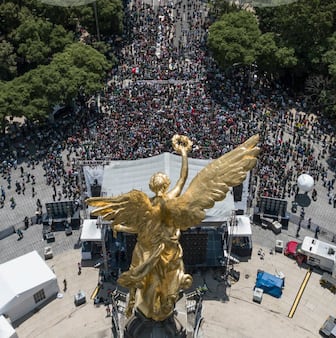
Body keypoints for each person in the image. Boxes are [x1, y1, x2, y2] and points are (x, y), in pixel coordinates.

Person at [87, 134, 259, 322]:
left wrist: (119, 225)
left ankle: (141, 305)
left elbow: (137, 229)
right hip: (168, 251)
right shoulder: (170, 201)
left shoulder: (145, 207)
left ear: (151, 187)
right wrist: (184, 153)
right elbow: (183, 178)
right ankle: (166, 301)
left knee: (145, 281)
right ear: (166, 185)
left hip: (145, 250)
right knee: (166, 278)